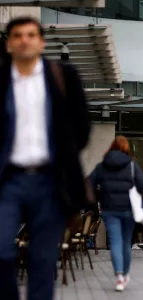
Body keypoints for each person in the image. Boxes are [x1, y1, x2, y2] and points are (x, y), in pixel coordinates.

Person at [0, 17, 90, 300]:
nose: (24, 40)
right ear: (8, 44)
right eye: (17, 35)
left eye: (30, 35)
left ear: (41, 42)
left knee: (42, 260)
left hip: (50, 181)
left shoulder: (62, 77)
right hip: (8, 181)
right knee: (1, 250)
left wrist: (65, 157)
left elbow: (82, 126)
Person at [89, 136, 143, 292]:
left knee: (115, 241)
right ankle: (126, 274)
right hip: (129, 208)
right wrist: (136, 192)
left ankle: (119, 277)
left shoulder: (102, 166)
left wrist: (98, 196)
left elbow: (88, 183)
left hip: (109, 208)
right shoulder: (131, 165)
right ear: (126, 148)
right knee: (126, 241)